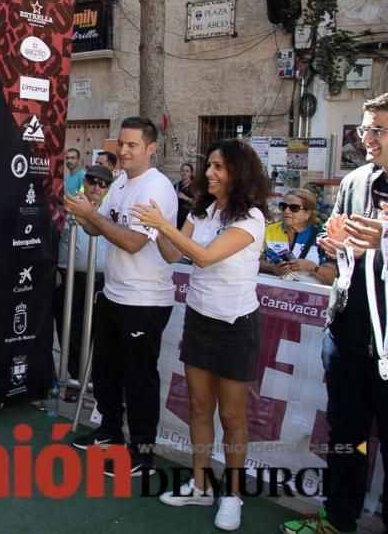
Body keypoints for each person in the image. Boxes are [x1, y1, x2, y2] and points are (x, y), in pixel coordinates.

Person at [131, 138, 271, 532]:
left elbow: (206, 257)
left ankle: (233, 494)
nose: (210, 173)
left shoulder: (252, 219)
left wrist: (163, 226)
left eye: (219, 167)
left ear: (238, 174)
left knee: (231, 415)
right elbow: (174, 255)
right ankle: (199, 484)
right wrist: (154, 228)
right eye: (209, 165)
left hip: (235, 326)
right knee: (197, 408)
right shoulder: (204, 209)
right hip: (199, 318)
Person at [280, 94, 388, 534]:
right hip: (346, 334)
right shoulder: (356, 181)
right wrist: (331, 241)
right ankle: (337, 519)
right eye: (364, 128)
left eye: (377, 129)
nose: (367, 138)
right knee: (347, 436)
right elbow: (333, 234)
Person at [63, 116, 177, 477]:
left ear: (151, 149)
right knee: (107, 371)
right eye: (121, 145)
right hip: (114, 293)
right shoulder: (122, 183)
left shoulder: (156, 188)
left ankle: (142, 454)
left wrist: (91, 215)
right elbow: (97, 228)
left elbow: (132, 241)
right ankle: (109, 432)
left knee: (139, 378)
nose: (124, 152)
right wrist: (82, 211)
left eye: (132, 146)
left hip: (145, 300)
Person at [54, 165, 112, 395]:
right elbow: (53, 238)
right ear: (84, 182)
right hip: (70, 277)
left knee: (98, 333)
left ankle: (94, 380)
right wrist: (54, 271)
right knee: (70, 329)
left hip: (102, 279)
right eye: (92, 181)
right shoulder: (67, 207)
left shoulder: (111, 210)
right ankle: (74, 380)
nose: (96, 187)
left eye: (103, 184)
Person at [259, 188, 335, 284]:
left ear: (307, 213)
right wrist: (272, 268)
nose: (287, 211)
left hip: (308, 295)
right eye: (283, 206)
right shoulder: (268, 231)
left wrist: (311, 267)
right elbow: (251, 262)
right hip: (272, 295)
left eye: (294, 208)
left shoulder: (321, 238)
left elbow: (332, 277)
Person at [174, 162, 194, 229]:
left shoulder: (195, 187)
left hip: (189, 221)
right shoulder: (177, 186)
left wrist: (185, 198)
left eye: (187, 171)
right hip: (177, 219)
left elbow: (199, 203)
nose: (184, 173)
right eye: (183, 171)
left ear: (191, 173)